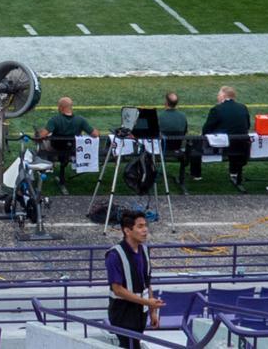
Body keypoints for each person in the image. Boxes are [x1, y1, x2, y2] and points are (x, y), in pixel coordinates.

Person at [106, 209, 161, 349]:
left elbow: (147, 282)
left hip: (140, 311)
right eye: (140, 226)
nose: (145, 230)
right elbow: (117, 290)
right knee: (129, 344)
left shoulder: (144, 250)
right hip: (122, 311)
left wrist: (152, 310)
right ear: (127, 231)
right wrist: (147, 302)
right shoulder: (115, 255)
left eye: (145, 225)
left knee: (134, 343)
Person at [36, 96, 100, 193]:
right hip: (72, 149)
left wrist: (39, 132)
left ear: (61, 107)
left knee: (42, 143)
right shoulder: (80, 120)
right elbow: (95, 134)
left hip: (56, 148)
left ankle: (49, 165)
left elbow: (41, 136)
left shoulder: (55, 120)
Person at [201, 85, 253, 189]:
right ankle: (234, 172)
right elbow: (247, 126)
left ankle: (196, 174)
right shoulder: (243, 107)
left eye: (219, 94)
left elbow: (206, 129)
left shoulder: (217, 109)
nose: (217, 96)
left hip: (223, 146)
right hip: (241, 145)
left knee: (196, 142)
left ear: (224, 96)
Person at [156, 92, 193, 187]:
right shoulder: (182, 116)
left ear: (166, 103)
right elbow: (184, 132)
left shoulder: (160, 116)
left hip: (162, 148)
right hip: (177, 148)